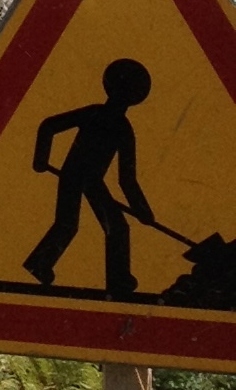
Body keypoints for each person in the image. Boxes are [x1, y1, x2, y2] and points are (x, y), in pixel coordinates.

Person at [26, 59, 160, 302]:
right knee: (68, 224)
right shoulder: (95, 114)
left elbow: (126, 178)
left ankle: (117, 279)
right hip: (73, 174)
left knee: (114, 227)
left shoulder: (123, 129)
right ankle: (40, 263)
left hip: (92, 180)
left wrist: (143, 210)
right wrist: (40, 158)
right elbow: (49, 126)